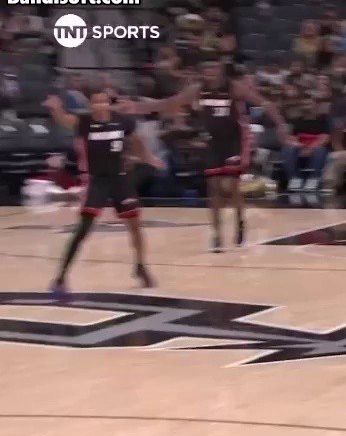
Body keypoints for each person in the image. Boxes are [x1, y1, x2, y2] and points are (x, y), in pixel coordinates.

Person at [43, 91, 165, 298]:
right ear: (90, 105)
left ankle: (140, 266)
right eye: (95, 102)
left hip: (120, 179)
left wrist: (148, 157)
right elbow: (64, 120)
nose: (99, 105)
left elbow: (137, 141)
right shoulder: (84, 122)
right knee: (82, 229)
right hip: (97, 181)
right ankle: (61, 277)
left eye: (103, 101)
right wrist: (56, 108)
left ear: (108, 104)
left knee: (135, 226)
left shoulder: (123, 121)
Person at [193, 60, 289, 252]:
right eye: (206, 67)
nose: (210, 71)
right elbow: (178, 104)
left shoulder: (234, 87)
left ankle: (239, 221)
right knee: (213, 188)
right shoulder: (198, 89)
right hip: (212, 142)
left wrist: (281, 124)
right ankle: (216, 233)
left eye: (213, 67)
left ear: (221, 71)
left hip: (234, 141)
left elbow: (265, 103)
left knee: (231, 186)